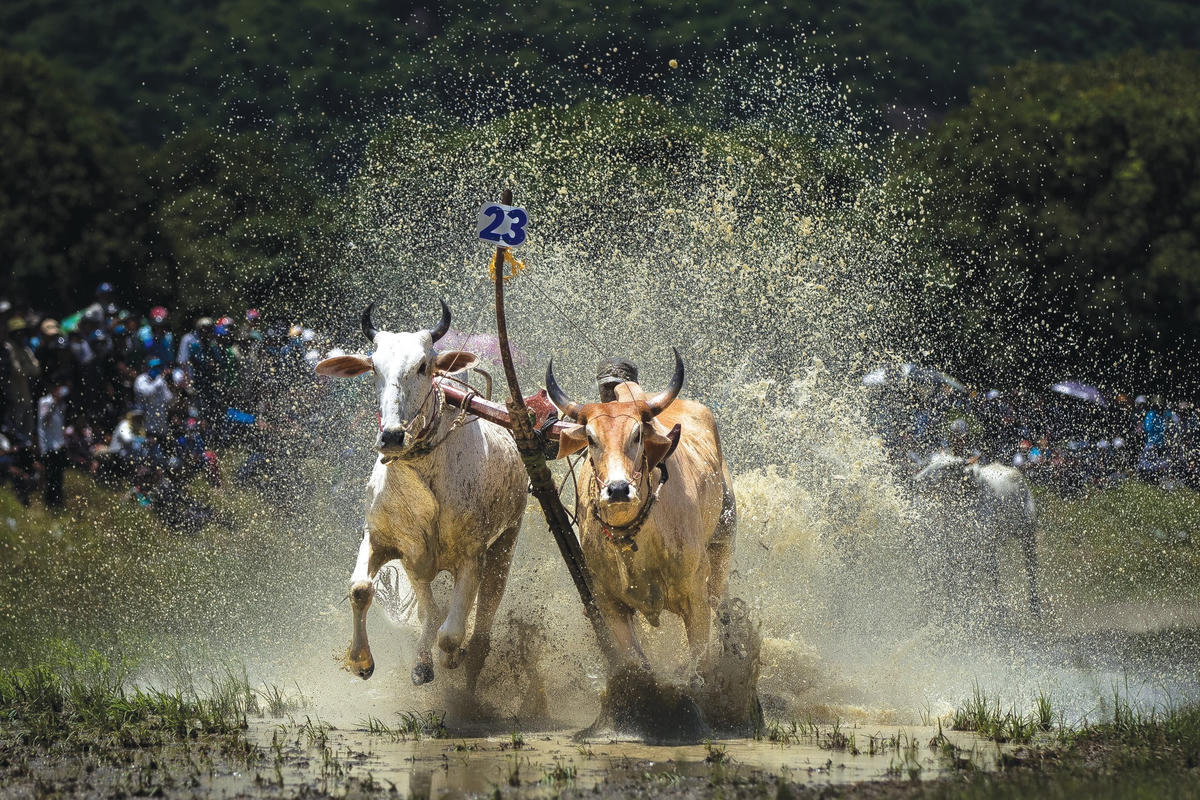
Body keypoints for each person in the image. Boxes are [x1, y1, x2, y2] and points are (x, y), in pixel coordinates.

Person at [37, 382, 69, 509]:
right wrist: (54, 403)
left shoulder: (61, 404)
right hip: (49, 445)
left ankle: (58, 502)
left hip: (59, 444)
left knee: (59, 476)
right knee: (51, 476)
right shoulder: (45, 402)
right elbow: (44, 419)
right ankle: (49, 502)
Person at [133, 358, 174, 437]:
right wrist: (158, 383)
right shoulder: (141, 379)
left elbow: (169, 399)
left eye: (158, 368)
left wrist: (171, 384)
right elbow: (147, 392)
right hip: (146, 426)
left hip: (161, 426)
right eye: (154, 368)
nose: (157, 370)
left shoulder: (160, 381)